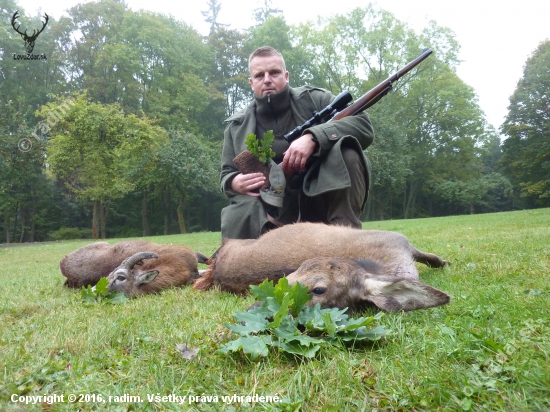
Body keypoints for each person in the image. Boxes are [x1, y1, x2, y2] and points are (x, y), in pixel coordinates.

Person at [220, 46, 374, 239]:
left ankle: (345, 239)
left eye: (274, 73)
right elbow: (226, 173)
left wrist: (314, 137)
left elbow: (363, 125)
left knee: (348, 152)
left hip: (319, 199)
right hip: (271, 211)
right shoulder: (236, 126)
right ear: (252, 83)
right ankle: (252, 257)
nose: (267, 79)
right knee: (241, 212)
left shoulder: (316, 99)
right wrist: (234, 182)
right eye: (260, 75)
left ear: (286, 76)